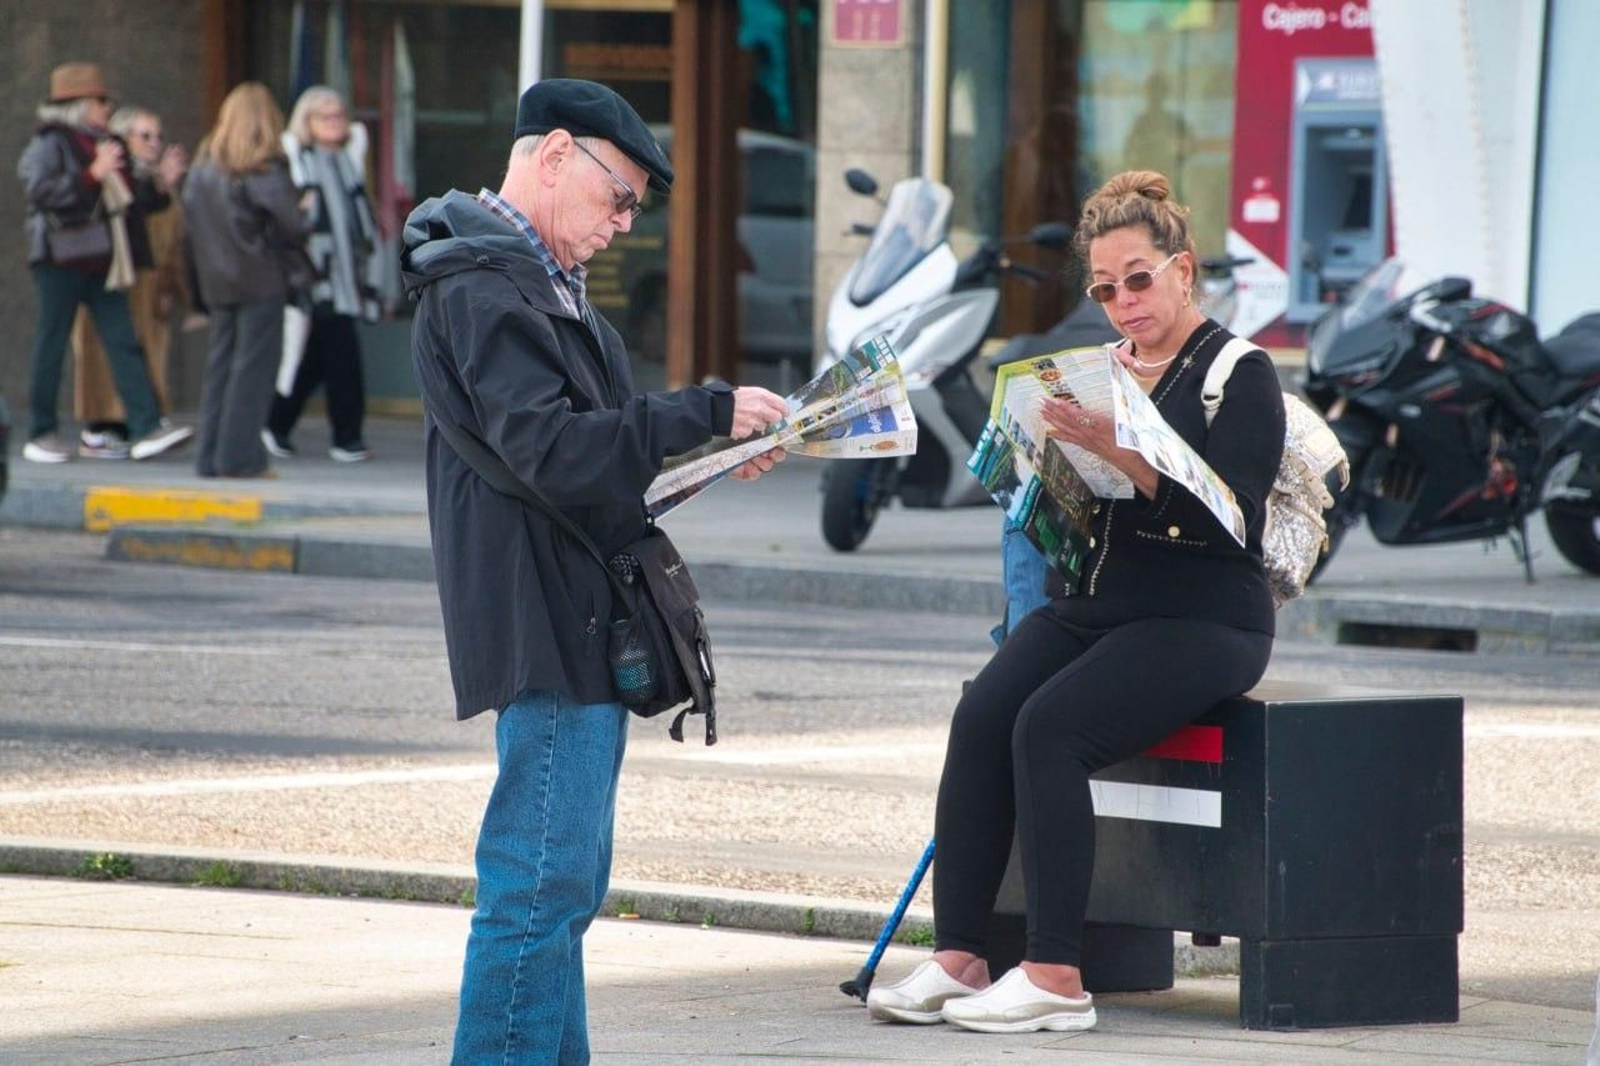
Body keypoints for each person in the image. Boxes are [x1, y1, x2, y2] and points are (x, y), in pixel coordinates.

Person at [402, 78, 789, 1064]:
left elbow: (598, 455)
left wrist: (706, 449)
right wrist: (701, 412)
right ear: (555, 154)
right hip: (545, 619)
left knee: (558, 888)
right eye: (619, 198)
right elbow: (552, 452)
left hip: (572, 611)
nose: (625, 225)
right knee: (538, 889)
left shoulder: (533, 282)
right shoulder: (485, 284)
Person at [867, 170, 1286, 1034]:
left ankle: (1055, 973)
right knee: (982, 716)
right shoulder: (1097, 371)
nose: (1124, 302)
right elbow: (1081, 507)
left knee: (1050, 729)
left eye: (1138, 279)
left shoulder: (1238, 374)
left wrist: (1127, 456)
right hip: (1099, 600)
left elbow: (1236, 526)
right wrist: (1034, 465)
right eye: (1105, 288)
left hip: (1206, 617)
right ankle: (960, 955)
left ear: (1181, 269)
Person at [16, 61, 194, 463]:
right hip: (60, 260)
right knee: (51, 343)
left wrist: (162, 183)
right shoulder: (50, 143)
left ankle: (147, 426)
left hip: (103, 261)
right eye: (100, 101)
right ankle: (41, 432)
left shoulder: (106, 142)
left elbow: (133, 204)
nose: (107, 107)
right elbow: (40, 193)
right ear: (78, 105)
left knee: (122, 341)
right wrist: (91, 175)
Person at [183, 82, 310, 479]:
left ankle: (210, 457)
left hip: (217, 281)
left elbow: (189, 233)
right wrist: (304, 208)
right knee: (253, 371)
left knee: (220, 368)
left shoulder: (201, 172)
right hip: (261, 278)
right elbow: (291, 225)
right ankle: (240, 459)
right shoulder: (266, 168)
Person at [263, 85, 381, 464]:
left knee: (314, 357)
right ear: (307, 120)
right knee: (341, 354)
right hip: (314, 275)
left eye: (340, 115)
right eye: (325, 116)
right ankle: (347, 437)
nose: (335, 122)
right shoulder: (296, 161)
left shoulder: (349, 161)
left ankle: (276, 423)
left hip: (345, 277)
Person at [70, 105, 190, 458]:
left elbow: (170, 235)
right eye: (145, 136)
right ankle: (102, 426)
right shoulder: (120, 176)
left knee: (146, 349)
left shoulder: (149, 181)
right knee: (105, 352)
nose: (154, 144)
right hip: (113, 276)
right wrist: (161, 185)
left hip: (147, 279)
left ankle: (140, 420)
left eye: (158, 136)